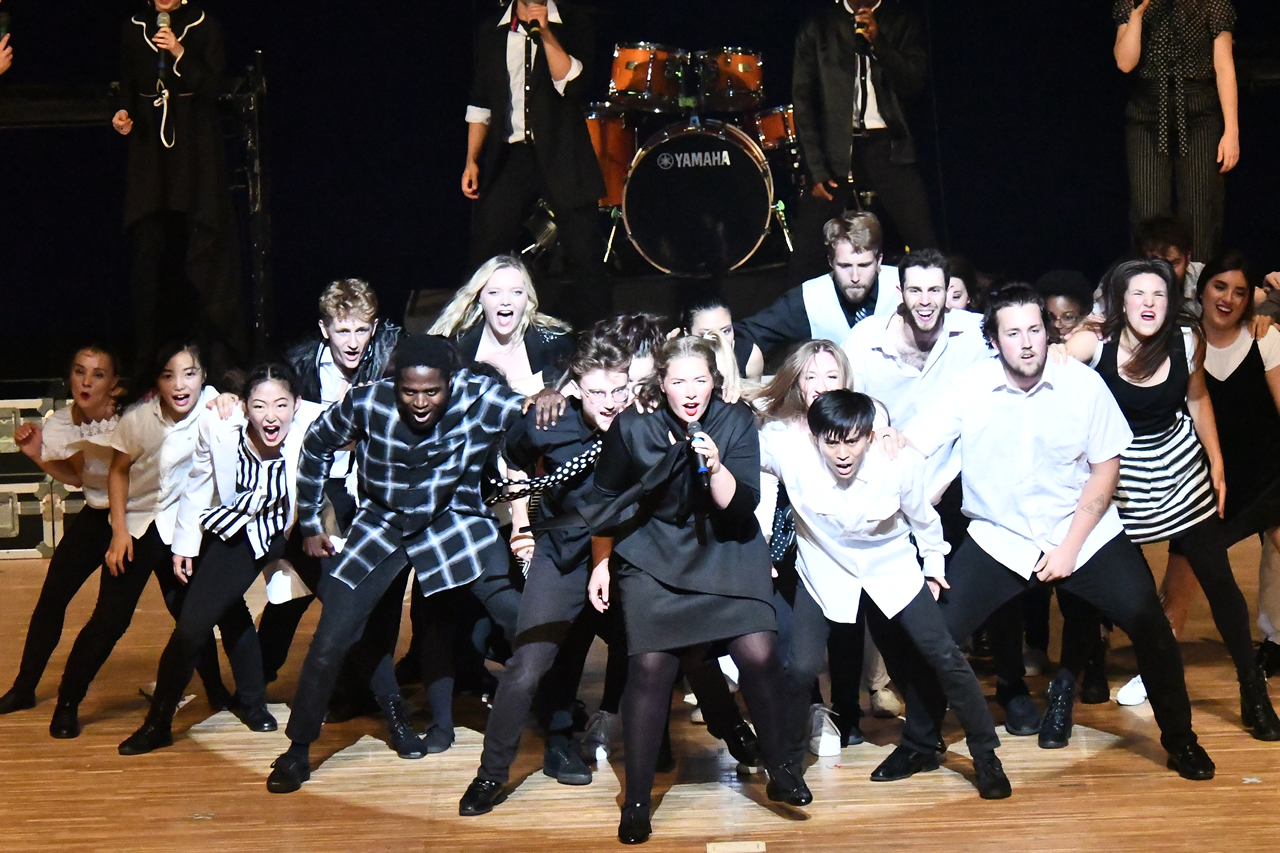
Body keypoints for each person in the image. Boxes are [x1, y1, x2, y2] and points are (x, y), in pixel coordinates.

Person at [901, 283, 1215, 780]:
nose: (1027, 343)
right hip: (1001, 537)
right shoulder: (969, 387)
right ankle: (919, 744)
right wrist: (875, 441)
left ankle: (1182, 740)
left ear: (1047, 333)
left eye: (1034, 330)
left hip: (1083, 533)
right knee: (937, 634)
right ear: (994, 340)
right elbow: (912, 443)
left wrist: (1070, 547)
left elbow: (1106, 470)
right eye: (1013, 333)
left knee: (1148, 621)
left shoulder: (1082, 384)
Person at [265, 334, 526, 794]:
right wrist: (309, 521)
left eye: (432, 392)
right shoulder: (367, 402)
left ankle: (560, 731)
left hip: (451, 521)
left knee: (521, 620)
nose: (420, 402)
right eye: (409, 391)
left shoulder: (476, 394)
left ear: (451, 382)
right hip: (381, 525)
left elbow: (528, 412)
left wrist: (544, 399)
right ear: (395, 383)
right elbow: (316, 443)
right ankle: (297, 750)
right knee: (330, 638)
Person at [583, 336, 809, 845]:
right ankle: (636, 800)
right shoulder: (632, 426)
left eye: (699, 380)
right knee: (650, 668)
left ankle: (781, 769)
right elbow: (605, 501)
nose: (690, 391)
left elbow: (741, 505)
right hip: (653, 553)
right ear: (661, 384)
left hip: (727, 549)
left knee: (760, 653)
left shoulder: (735, 421)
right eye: (679, 381)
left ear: (715, 382)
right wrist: (601, 564)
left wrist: (716, 466)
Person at [1064, 258, 1280, 739]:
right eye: (1138, 294)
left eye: (1158, 294)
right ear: (1121, 300)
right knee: (1117, 592)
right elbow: (1046, 371)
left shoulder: (1186, 339)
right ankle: (1078, 679)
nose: (1149, 303)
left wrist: (1216, 460)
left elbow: (1198, 397)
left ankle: (1253, 691)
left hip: (1179, 470)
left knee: (1221, 583)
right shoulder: (1094, 343)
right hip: (1120, 476)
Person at [762, 389, 1011, 799]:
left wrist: (933, 566)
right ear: (815, 437)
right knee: (801, 667)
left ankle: (986, 756)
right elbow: (743, 442)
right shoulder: (793, 455)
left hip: (892, 570)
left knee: (944, 655)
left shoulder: (897, 463)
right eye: (832, 442)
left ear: (870, 435)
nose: (843, 453)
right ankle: (786, 767)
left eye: (853, 441)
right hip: (823, 574)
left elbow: (923, 518)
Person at [118, 364, 326, 755]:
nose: (271, 416)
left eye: (281, 405)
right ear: (245, 406)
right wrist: (184, 546)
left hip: (294, 529)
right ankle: (158, 722)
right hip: (241, 526)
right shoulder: (219, 424)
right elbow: (197, 485)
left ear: (296, 405)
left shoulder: (315, 421)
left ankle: (386, 709)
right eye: (260, 406)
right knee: (192, 627)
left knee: (349, 606)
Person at [47, 343, 234, 738]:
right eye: (168, 376)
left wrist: (232, 397)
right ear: (156, 382)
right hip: (137, 524)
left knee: (192, 616)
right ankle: (67, 703)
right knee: (110, 620)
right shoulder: (138, 419)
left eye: (189, 374)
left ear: (203, 377)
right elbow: (118, 472)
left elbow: (241, 402)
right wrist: (118, 532)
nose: (180, 385)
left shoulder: (212, 404)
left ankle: (216, 689)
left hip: (182, 528)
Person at [1133, 253, 1280, 688]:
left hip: (1269, 478)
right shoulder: (1179, 342)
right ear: (1200, 292)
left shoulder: (1265, 338)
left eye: (1239, 292)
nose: (1228, 298)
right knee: (1177, 591)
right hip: (1208, 486)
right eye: (1220, 287)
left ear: (1248, 300)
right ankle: (1155, 676)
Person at [750, 341, 894, 753]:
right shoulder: (778, 428)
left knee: (848, 627)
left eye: (831, 375)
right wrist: (763, 547)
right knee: (799, 641)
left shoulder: (868, 415)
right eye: (811, 376)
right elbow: (764, 489)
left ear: (845, 379)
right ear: (797, 381)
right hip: (793, 538)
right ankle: (811, 709)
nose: (821, 385)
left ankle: (847, 710)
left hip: (849, 541)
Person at [261, 279, 402, 690]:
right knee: (298, 585)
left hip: (367, 489)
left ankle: (357, 688)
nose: (353, 341)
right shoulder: (298, 363)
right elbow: (261, 396)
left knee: (378, 594)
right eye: (343, 330)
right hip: (311, 488)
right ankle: (260, 675)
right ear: (325, 330)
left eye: (361, 329)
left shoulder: (389, 358)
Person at [112, 0, 244, 374]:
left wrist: (179, 52)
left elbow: (213, 86)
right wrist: (122, 113)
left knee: (202, 251)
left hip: (193, 153)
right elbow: (127, 81)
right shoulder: (134, 26)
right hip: (151, 156)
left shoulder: (205, 25)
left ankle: (211, 358)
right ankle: (147, 361)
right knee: (148, 254)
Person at [463, 0, 609, 329]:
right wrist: (472, 159)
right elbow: (481, 99)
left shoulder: (573, 22)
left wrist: (545, 33)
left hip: (563, 152)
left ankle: (600, 339)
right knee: (486, 248)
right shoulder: (492, 32)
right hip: (512, 155)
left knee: (585, 254)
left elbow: (572, 83)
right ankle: (471, 333)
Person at [0, 346, 122, 715]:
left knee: (175, 604)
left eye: (98, 374)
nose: (86, 381)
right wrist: (37, 453)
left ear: (113, 383)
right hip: (97, 515)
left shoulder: (129, 417)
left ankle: (215, 689)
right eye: (79, 371)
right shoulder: (62, 424)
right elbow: (78, 478)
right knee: (51, 599)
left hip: (139, 521)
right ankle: (24, 688)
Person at [789, 0, 936, 285]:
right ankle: (801, 312)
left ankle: (936, 302)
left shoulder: (900, 21)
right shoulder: (818, 26)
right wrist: (815, 167)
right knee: (806, 253)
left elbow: (914, 82)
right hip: (835, 148)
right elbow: (803, 100)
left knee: (924, 243)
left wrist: (878, 42)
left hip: (888, 145)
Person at [1114, 0, 1238, 264]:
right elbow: (1125, 62)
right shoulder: (1131, 3)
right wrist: (1137, 13)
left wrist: (1231, 131)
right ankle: (1150, 280)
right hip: (1147, 113)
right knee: (1148, 211)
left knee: (1200, 211)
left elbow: (1224, 66)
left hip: (1199, 111)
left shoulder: (1212, 4)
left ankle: (1197, 284)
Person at [738, 211, 900, 356]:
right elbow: (748, 334)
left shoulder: (904, 285)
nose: (855, 277)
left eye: (864, 265)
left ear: (879, 261)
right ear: (830, 261)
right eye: (845, 266)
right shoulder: (809, 298)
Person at [429, 255, 573, 395]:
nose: (505, 301)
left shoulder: (555, 343)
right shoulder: (457, 349)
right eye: (494, 292)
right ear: (479, 298)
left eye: (516, 292)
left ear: (527, 298)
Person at [681, 295, 764, 383]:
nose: (718, 341)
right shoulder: (677, 361)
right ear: (687, 334)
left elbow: (753, 390)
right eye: (705, 334)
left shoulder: (750, 356)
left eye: (726, 331)